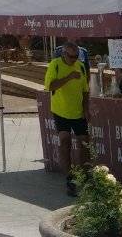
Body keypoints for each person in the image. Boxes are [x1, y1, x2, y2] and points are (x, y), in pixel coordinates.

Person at [44, 40, 90, 196]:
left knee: (85, 143)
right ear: (64, 54)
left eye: (76, 56)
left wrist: (86, 109)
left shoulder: (81, 66)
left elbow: (86, 90)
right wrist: (69, 77)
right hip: (61, 111)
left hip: (77, 111)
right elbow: (50, 86)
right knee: (65, 143)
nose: (74, 60)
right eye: (71, 57)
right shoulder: (55, 65)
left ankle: (85, 176)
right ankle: (69, 178)